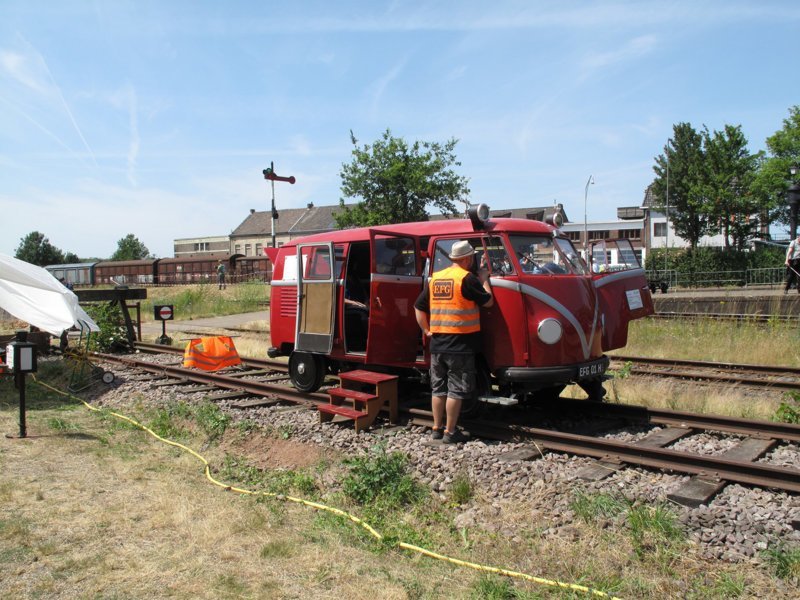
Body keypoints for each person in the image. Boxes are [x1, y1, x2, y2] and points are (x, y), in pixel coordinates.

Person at [414, 240, 493, 444]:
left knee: (438, 389)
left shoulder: (437, 278)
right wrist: (484, 279)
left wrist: (426, 330)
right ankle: (450, 432)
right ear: (467, 259)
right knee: (455, 390)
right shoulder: (467, 279)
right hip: (460, 345)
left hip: (437, 344)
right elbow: (488, 302)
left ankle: (436, 428)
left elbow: (418, 307)